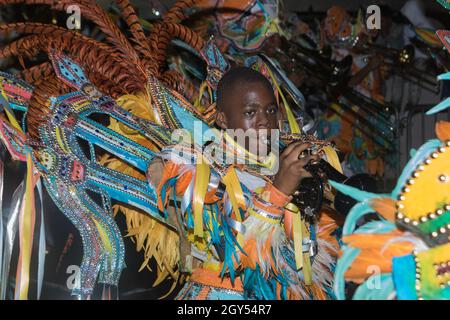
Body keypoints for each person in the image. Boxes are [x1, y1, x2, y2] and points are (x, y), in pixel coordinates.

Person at [147, 67, 341, 300]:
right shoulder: (201, 169)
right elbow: (235, 255)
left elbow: (305, 258)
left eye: (270, 110)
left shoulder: (282, 163)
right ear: (223, 119)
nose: (264, 122)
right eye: (250, 112)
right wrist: (278, 192)